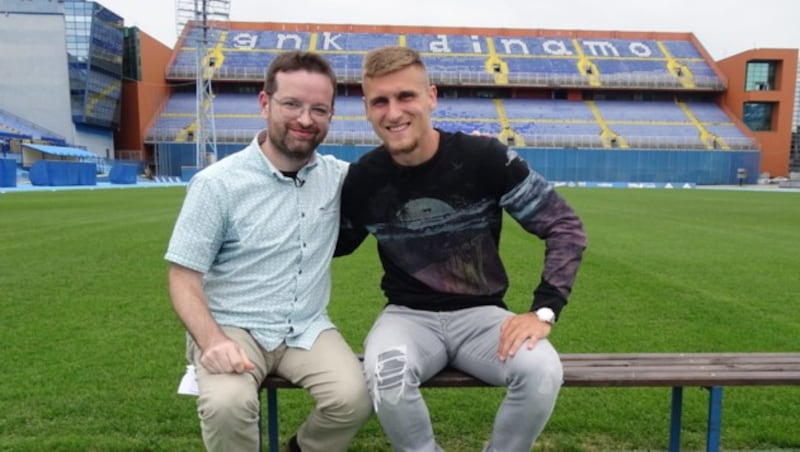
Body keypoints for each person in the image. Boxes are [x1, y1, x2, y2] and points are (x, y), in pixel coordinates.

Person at [335, 46, 587, 452]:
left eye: (406, 96)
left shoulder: (483, 158)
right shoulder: (363, 179)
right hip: (408, 318)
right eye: (380, 101)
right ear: (366, 109)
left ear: (430, 97)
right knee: (387, 374)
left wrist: (545, 309)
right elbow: (331, 245)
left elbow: (564, 225)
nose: (393, 112)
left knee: (541, 370)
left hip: (483, 318)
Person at [165, 51, 371, 452]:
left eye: (319, 109)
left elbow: (407, 171)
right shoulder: (217, 184)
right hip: (232, 326)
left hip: (307, 326)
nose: (305, 119)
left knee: (354, 398)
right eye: (291, 104)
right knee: (227, 403)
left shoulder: (339, 177)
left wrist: (464, 150)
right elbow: (182, 277)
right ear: (265, 103)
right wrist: (212, 341)